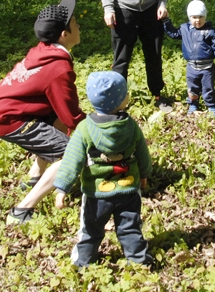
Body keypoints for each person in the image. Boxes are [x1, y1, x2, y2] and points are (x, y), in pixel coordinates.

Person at [0, 0, 86, 224]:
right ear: (64, 34)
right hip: (9, 119)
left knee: (57, 121)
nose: (79, 26)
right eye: (75, 23)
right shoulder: (58, 68)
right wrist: (99, 132)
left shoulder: (44, 51)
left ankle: (35, 175)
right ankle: (22, 209)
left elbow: (63, 114)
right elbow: (73, 117)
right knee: (72, 154)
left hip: (4, 110)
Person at [54, 71, 153, 267]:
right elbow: (143, 153)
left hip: (96, 194)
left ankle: (83, 261)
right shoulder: (131, 126)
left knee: (90, 229)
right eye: (126, 94)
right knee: (130, 227)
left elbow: (72, 160)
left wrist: (62, 188)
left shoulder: (84, 129)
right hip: (128, 189)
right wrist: (144, 175)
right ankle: (139, 260)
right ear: (121, 101)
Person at [163, 0, 215, 115]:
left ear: (205, 17)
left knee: (208, 88)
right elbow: (173, 33)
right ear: (189, 17)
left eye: (200, 17)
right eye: (194, 17)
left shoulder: (210, 31)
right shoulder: (184, 29)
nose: (197, 20)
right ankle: (193, 104)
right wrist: (166, 21)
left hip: (207, 67)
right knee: (192, 88)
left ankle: (211, 106)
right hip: (191, 67)